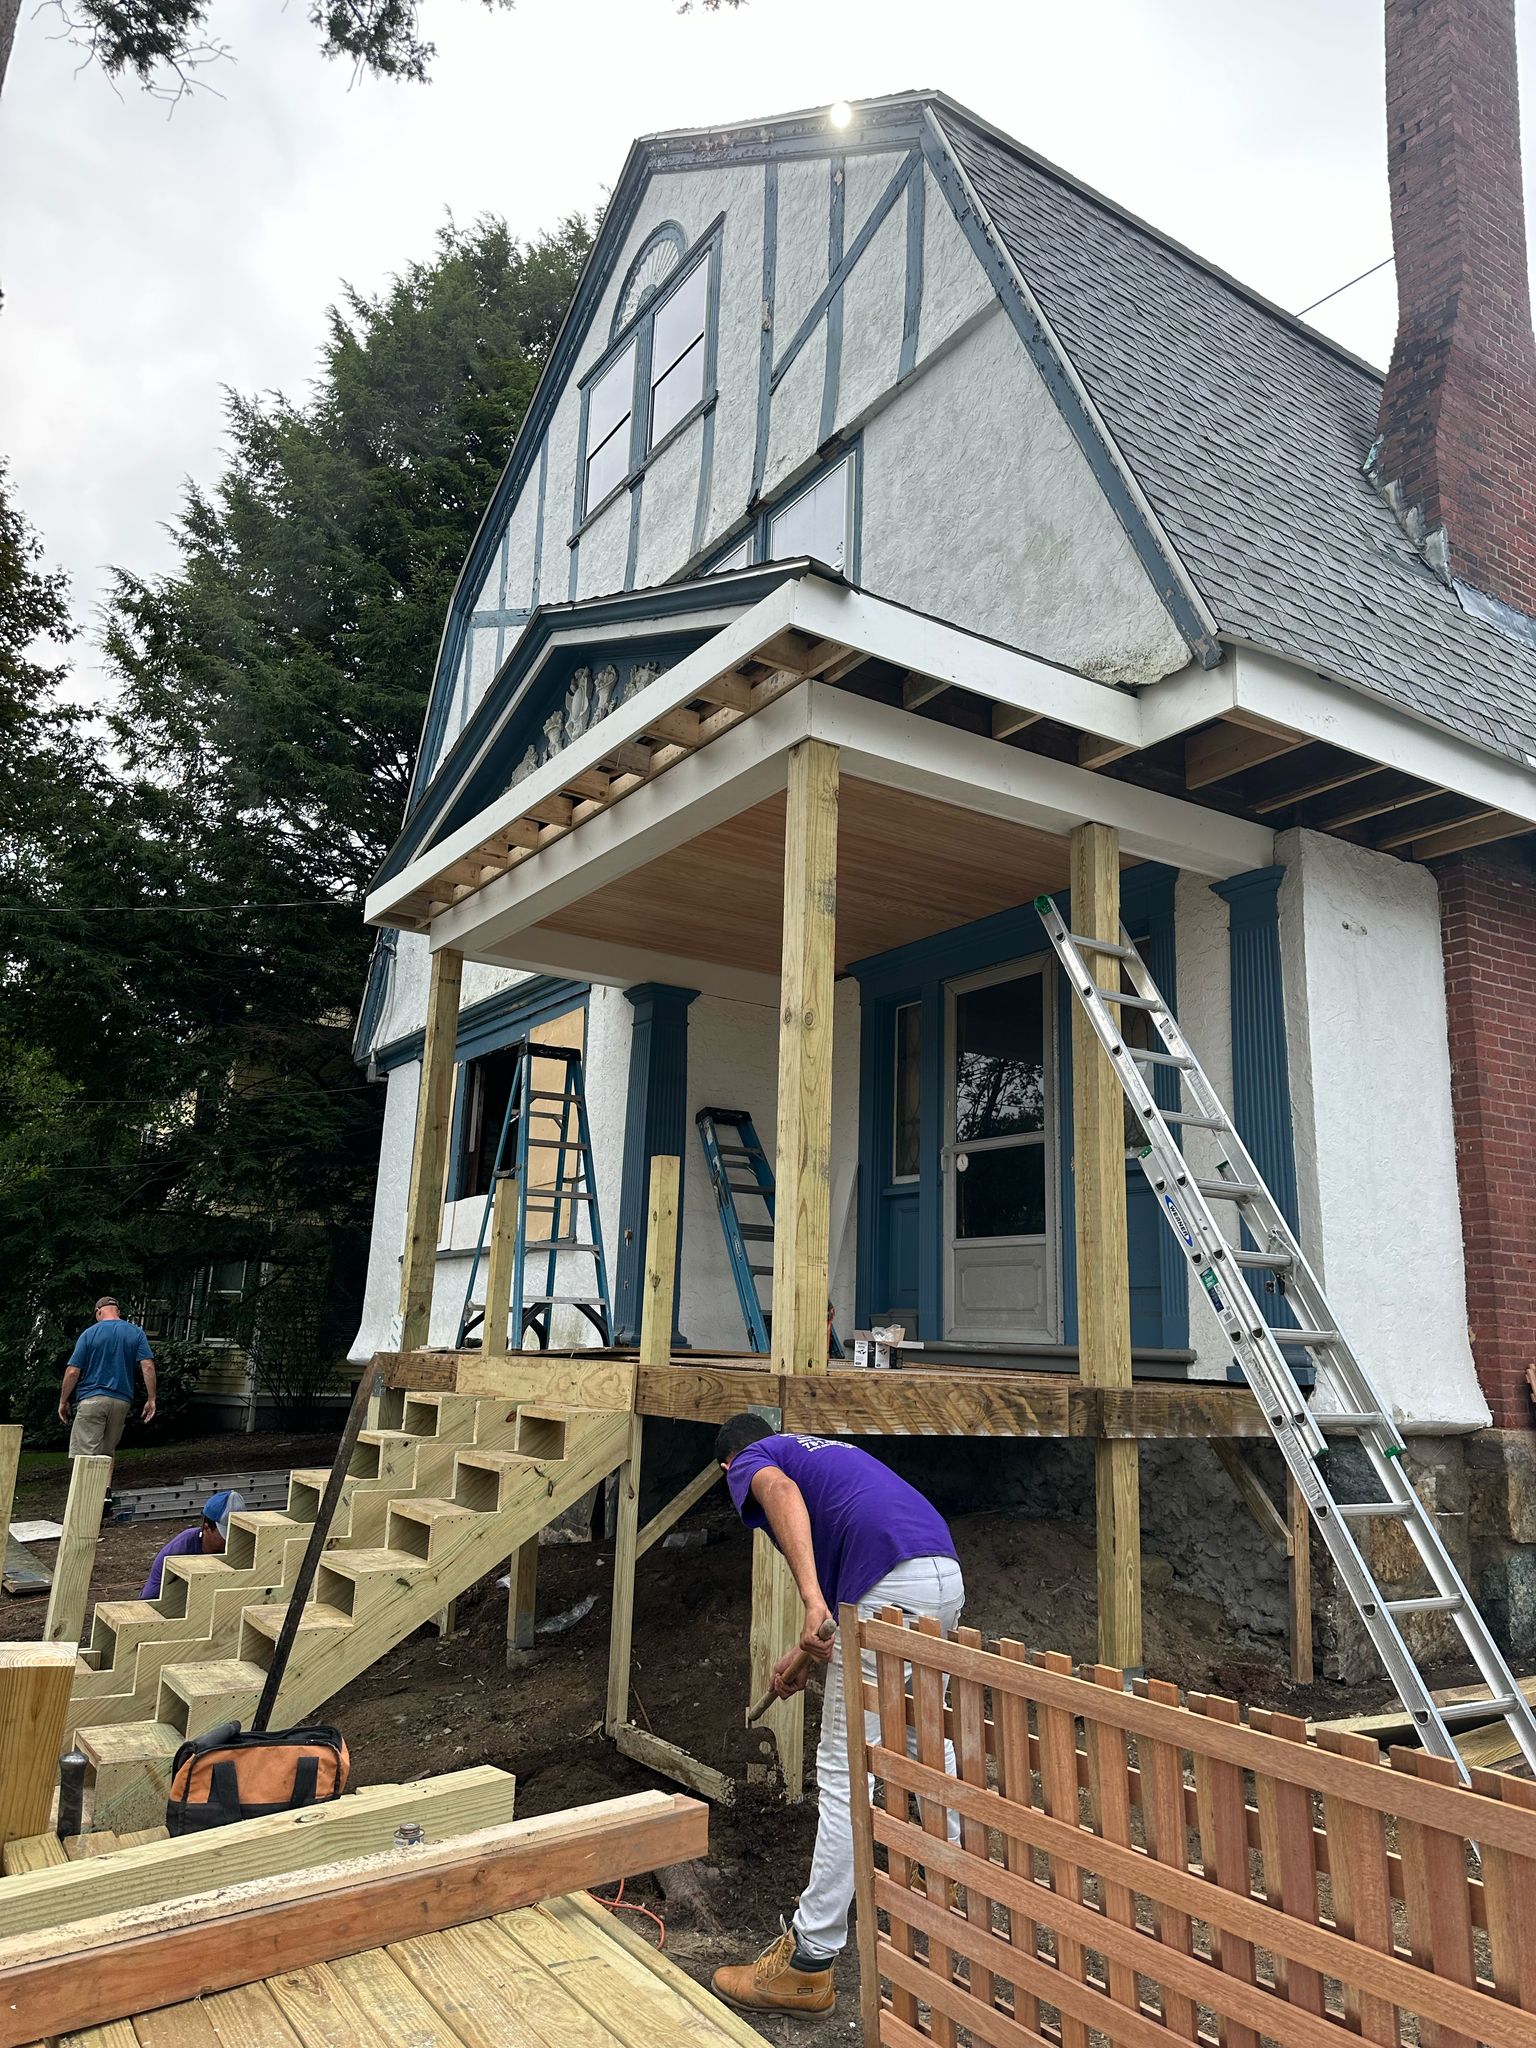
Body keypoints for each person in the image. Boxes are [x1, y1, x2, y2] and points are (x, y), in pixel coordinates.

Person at [710, 1414, 965, 2019]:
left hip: (885, 1586)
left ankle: (809, 1962)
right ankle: (945, 1886)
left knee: (844, 1776)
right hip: (941, 1573)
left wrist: (810, 1601)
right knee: (925, 1735)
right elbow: (853, 1553)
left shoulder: (753, 1459)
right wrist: (803, 1652)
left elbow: (779, 1494)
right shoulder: (821, 1451)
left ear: (728, 1468)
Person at [58, 1297, 156, 1463]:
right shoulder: (136, 1333)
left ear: (99, 1311)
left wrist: (63, 1401)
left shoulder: (90, 1333)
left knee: (85, 1457)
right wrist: (151, 1399)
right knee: (106, 1456)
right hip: (121, 1401)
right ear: (117, 1311)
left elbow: (73, 1371)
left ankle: (85, 1489)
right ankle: (105, 1489)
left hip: (92, 1399)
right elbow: (148, 1367)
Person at [142, 1489, 245, 1600]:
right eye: (227, 1534)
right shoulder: (180, 1549)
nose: (233, 1541)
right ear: (206, 1527)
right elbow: (149, 1599)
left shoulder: (246, 1547)